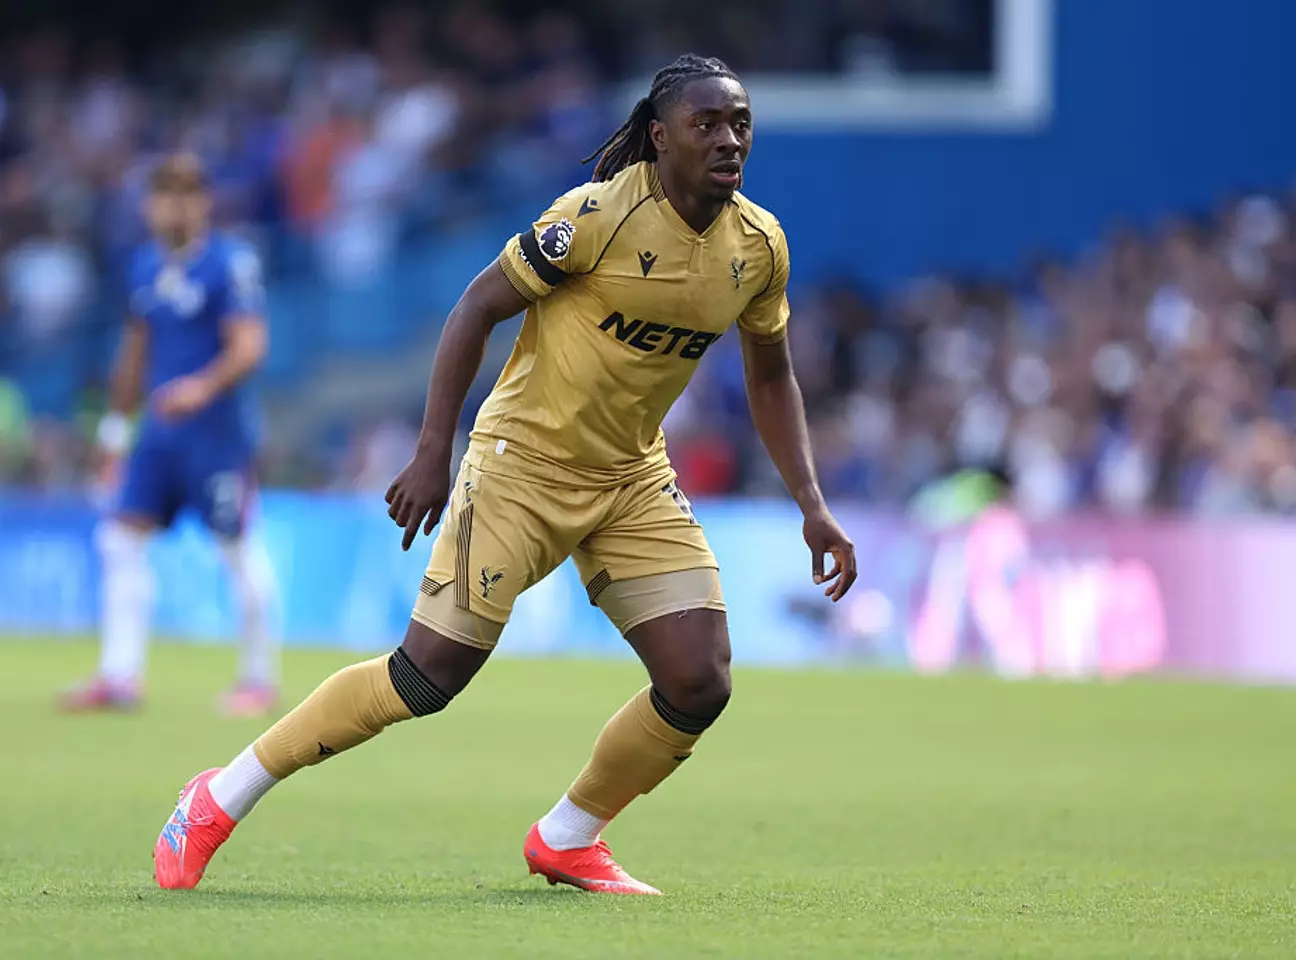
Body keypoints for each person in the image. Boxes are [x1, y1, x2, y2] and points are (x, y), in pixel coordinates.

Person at [153, 55, 856, 894]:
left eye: (740, 123)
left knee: (699, 678)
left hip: (630, 475)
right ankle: (217, 796)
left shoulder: (758, 245)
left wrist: (811, 503)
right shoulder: (593, 217)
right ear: (661, 138)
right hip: (521, 464)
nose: (729, 139)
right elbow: (476, 307)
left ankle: (567, 836)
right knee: (425, 676)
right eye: (706, 124)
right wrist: (432, 451)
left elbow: (771, 376)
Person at [61, 153, 280, 717]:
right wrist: (114, 431)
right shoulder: (143, 268)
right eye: (163, 194)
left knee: (236, 548)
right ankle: (119, 675)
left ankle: (258, 679)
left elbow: (250, 346)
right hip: (159, 436)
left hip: (217, 436)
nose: (173, 205)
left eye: (185, 193)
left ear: (204, 202)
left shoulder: (229, 264)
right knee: (119, 539)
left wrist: (200, 389)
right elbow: (134, 353)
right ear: (148, 205)